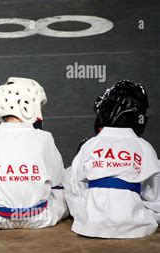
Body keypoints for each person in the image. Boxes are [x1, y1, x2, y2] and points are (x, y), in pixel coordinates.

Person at [0, 77, 68, 230]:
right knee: (65, 181)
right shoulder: (45, 138)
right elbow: (57, 179)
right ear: (27, 105)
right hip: (40, 218)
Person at [63, 80, 160, 238]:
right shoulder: (144, 147)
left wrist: (84, 214)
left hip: (90, 225)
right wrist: (146, 215)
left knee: (68, 175)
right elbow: (155, 195)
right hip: (135, 226)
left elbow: (74, 186)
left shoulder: (91, 145)